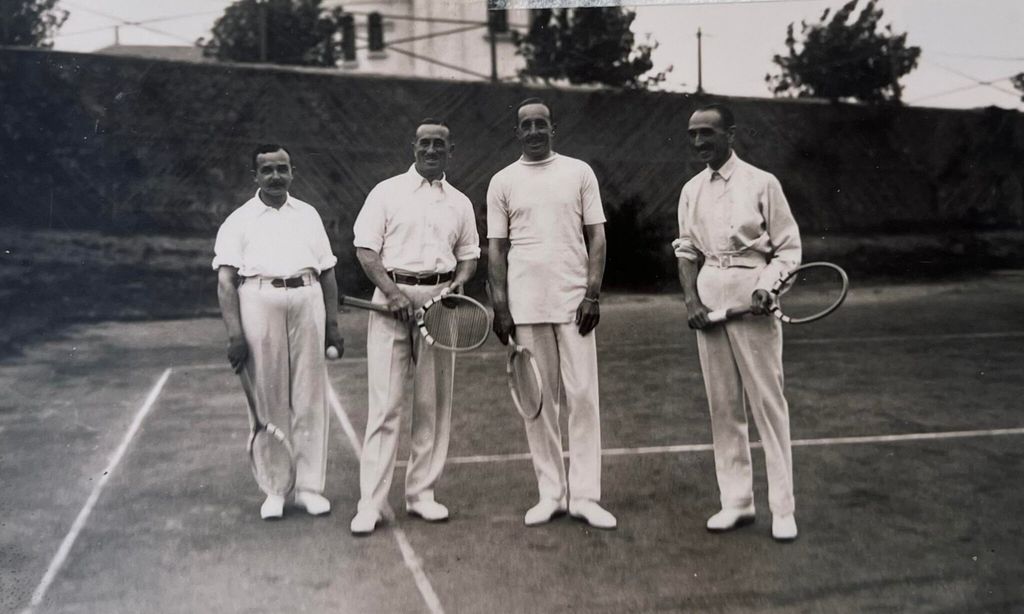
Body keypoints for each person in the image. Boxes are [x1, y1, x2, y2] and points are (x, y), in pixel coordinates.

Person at [673, 103, 802, 542]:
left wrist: (769, 287)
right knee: (723, 405)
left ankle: (782, 508)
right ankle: (737, 502)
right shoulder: (691, 190)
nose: (698, 142)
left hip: (753, 294)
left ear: (730, 133)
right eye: (692, 134)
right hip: (709, 296)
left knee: (768, 403)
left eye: (707, 133)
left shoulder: (762, 183)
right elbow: (687, 251)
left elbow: (787, 250)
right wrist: (692, 301)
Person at [487, 98, 616, 530]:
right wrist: (501, 306)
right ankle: (551, 494)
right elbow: (497, 250)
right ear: (518, 132)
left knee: (582, 397)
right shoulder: (502, 181)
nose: (535, 131)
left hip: (574, 303)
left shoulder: (579, 172)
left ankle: (585, 497)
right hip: (525, 307)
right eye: (526, 125)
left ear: (552, 129)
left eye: (542, 124)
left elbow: (596, 237)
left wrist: (592, 293)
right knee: (538, 400)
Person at [349, 119, 480, 536]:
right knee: (385, 405)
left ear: (450, 149)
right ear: (413, 147)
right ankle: (371, 503)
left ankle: (421, 494)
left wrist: (459, 283)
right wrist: (393, 293)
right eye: (424, 143)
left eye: (439, 144)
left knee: (432, 404)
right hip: (391, 301)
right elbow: (366, 250)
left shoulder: (459, 202)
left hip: (441, 303)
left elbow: (469, 254)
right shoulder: (385, 192)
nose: (431, 150)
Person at [213, 143, 344, 520]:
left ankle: (308, 488)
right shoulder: (238, 220)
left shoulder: (309, 215)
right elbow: (225, 283)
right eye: (267, 170)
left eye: (281, 169)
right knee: (269, 400)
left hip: (308, 301)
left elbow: (329, 272)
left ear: (292, 172)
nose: (275, 176)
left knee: (309, 397)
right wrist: (235, 334)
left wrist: (332, 325)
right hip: (258, 302)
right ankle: (275, 489)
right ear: (255, 175)